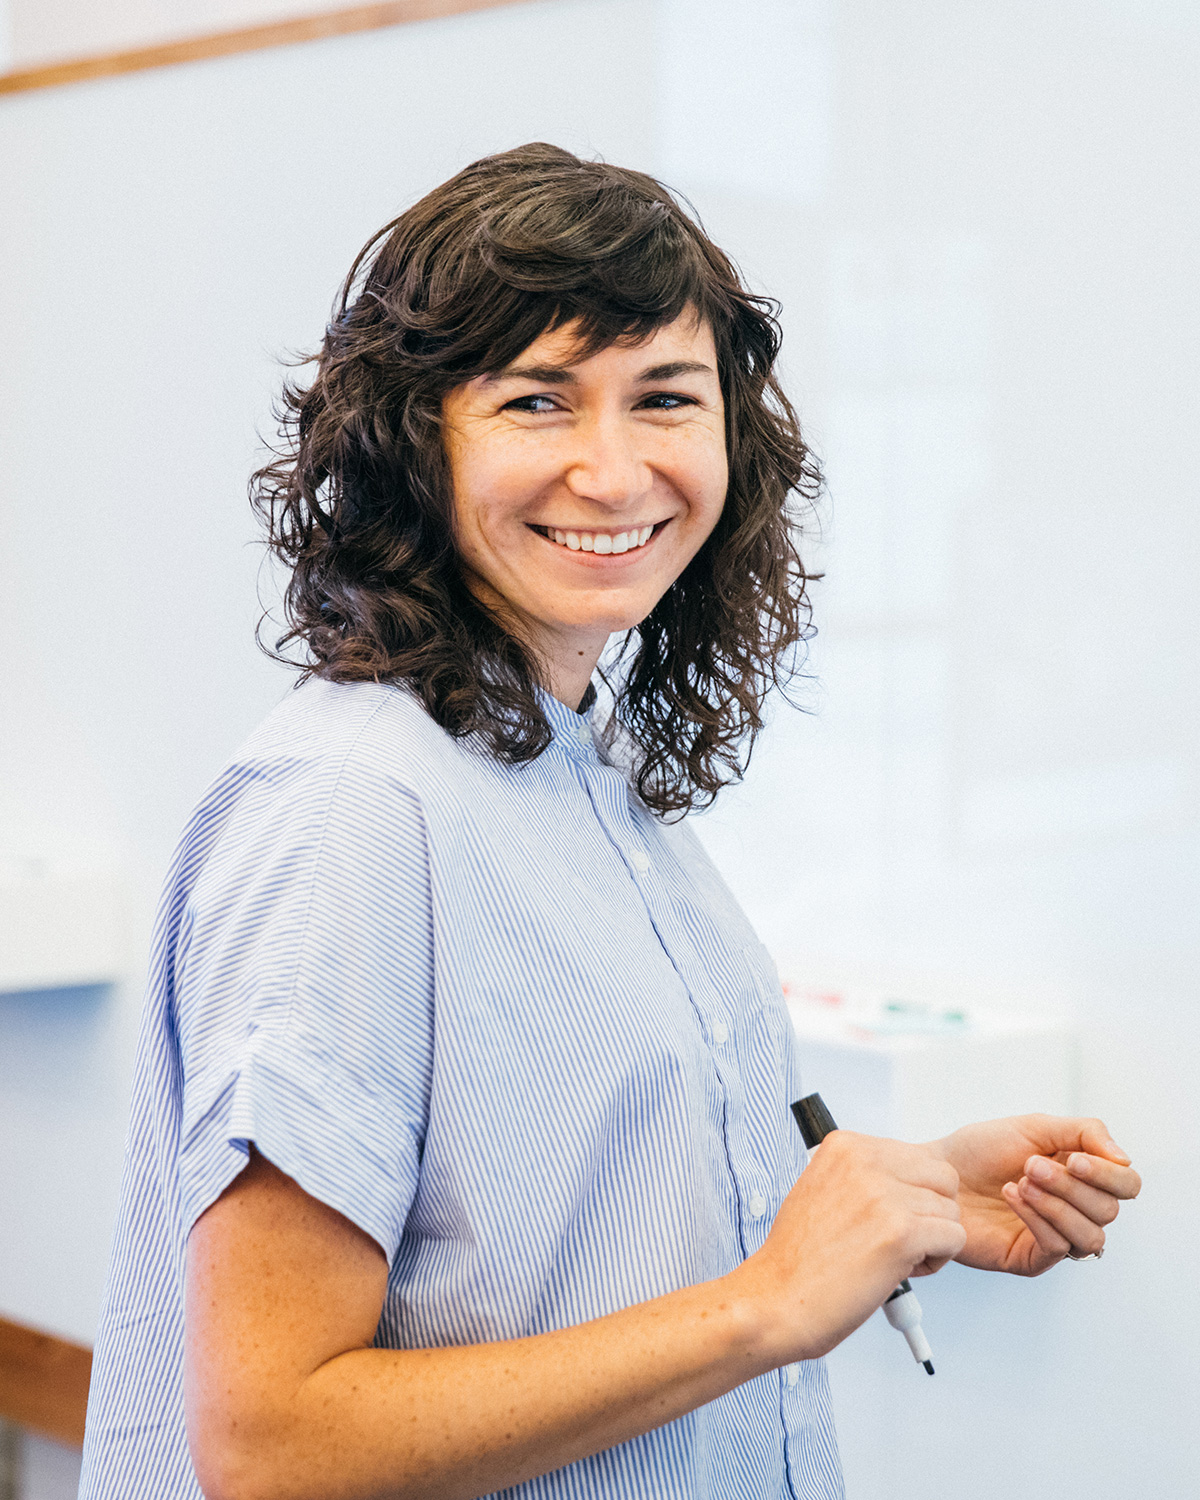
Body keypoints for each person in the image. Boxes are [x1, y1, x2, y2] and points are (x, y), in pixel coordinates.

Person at [79, 143, 1140, 1500]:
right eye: (536, 400)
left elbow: (562, 1225)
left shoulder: (580, 759)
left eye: (664, 398)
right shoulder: (349, 810)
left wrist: (900, 1196)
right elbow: (275, 1443)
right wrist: (767, 1302)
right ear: (418, 441)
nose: (612, 467)